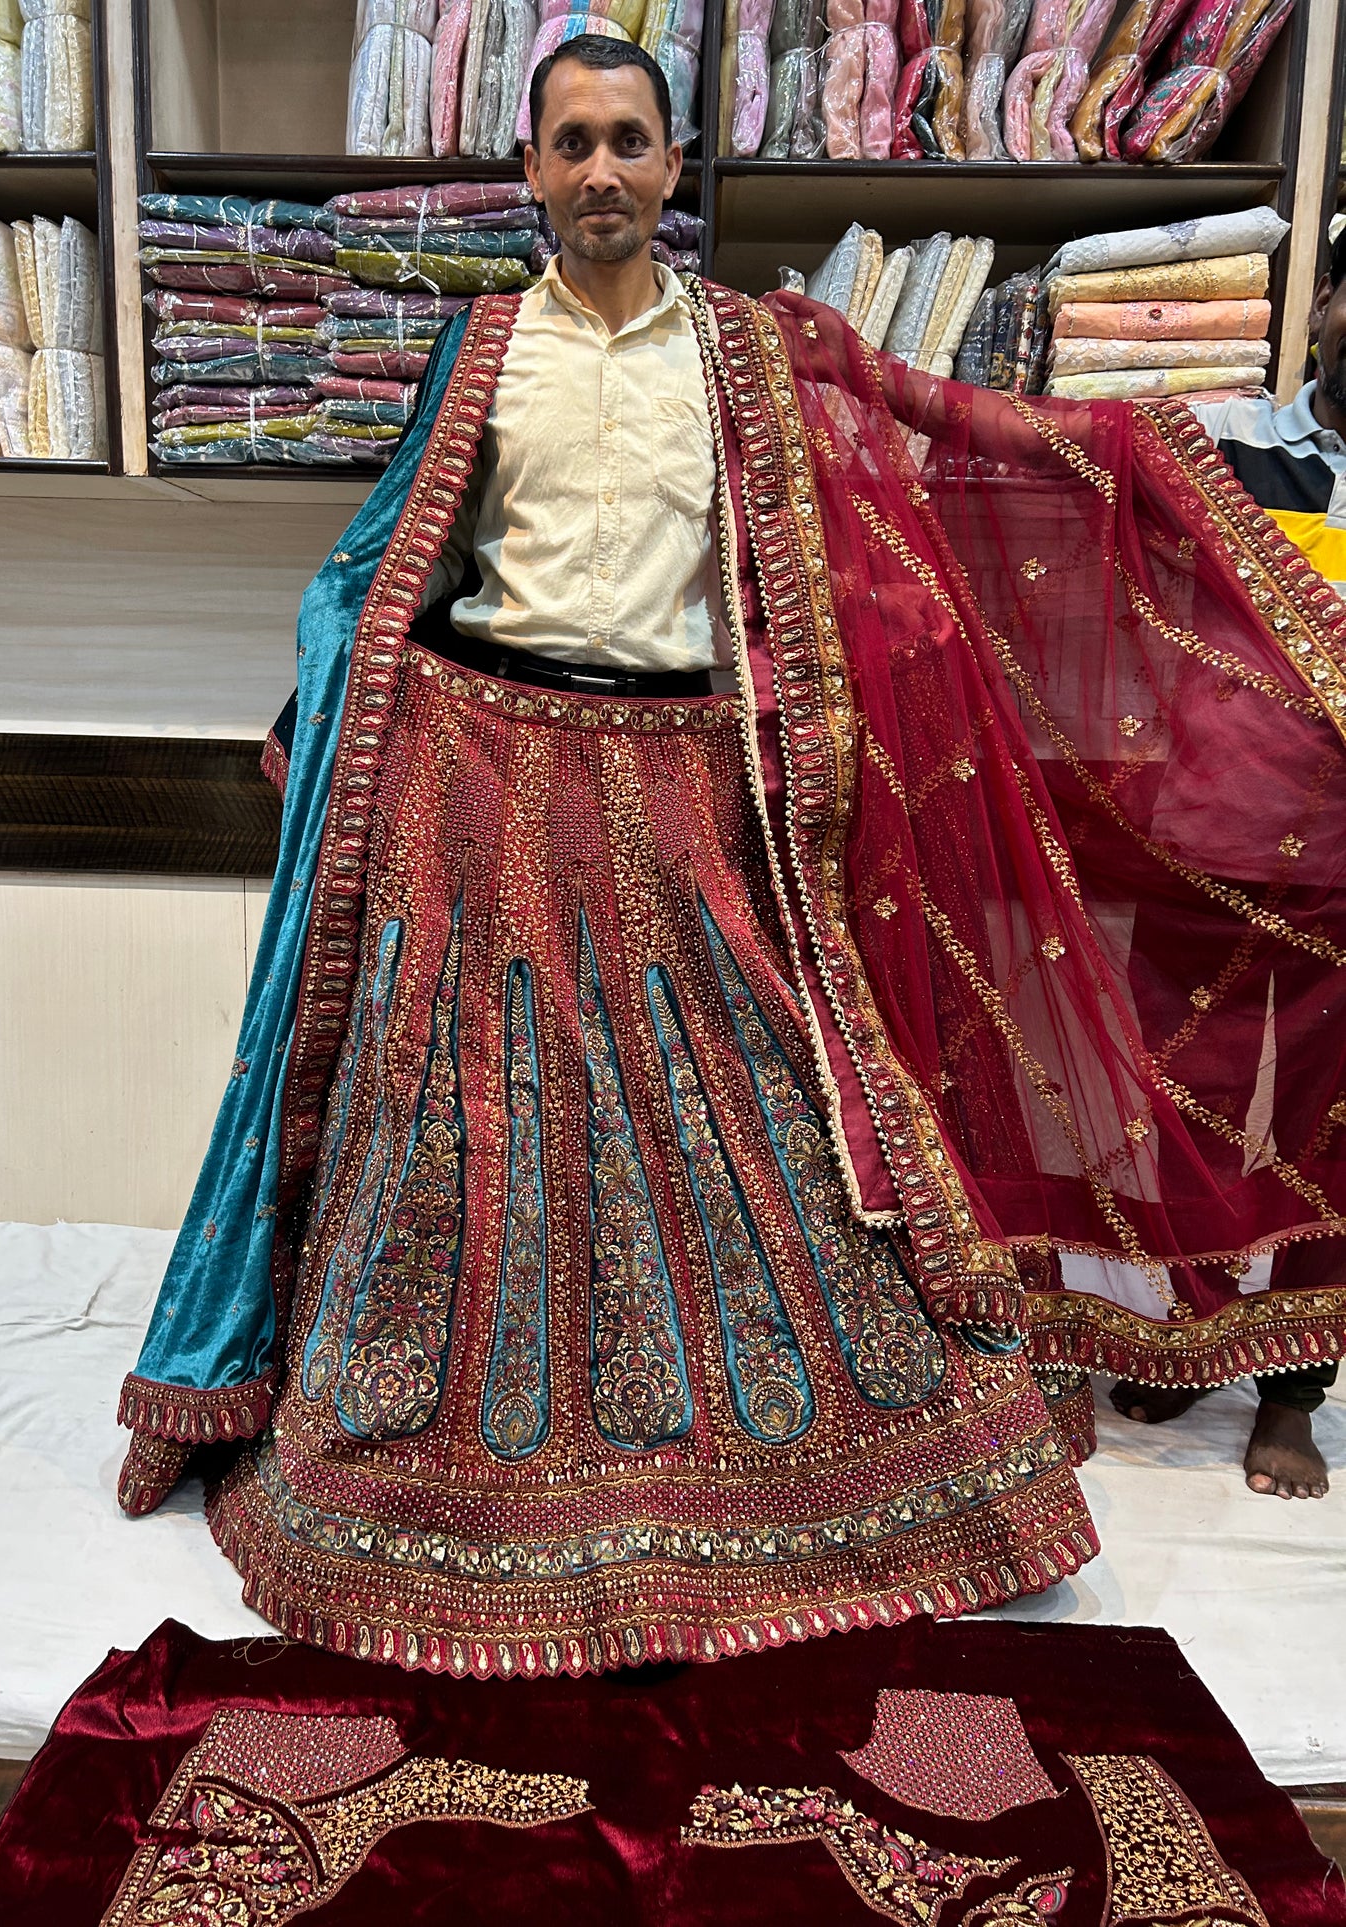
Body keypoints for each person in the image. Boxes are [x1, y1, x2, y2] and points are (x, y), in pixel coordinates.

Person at [117, 38, 1346, 1677]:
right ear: (533, 169)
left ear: (675, 163)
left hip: (696, 776)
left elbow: (947, 434)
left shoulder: (754, 350)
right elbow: (384, 561)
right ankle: (438, 1485)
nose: (605, 171)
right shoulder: (477, 348)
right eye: (574, 144)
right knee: (462, 1135)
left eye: (632, 140)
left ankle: (849, 1481)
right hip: (484, 784)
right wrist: (324, 713)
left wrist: (1159, 477)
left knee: (768, 1124)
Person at [1105, 229, 1346, 1500]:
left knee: (1327, 1128)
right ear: (1323, 310)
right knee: (1175, 1096)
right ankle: (1192, 1330)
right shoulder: (1212, 443)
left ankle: (1291, 1389)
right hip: (1210, 830)